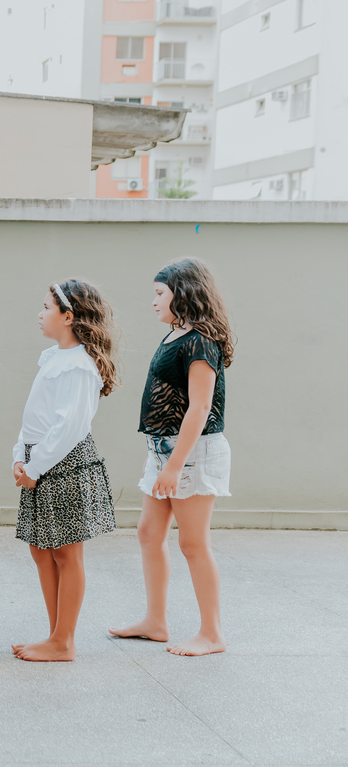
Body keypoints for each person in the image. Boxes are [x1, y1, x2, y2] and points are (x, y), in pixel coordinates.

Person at [110, 257, 234, 657]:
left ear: (183, 293)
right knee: (149, 533)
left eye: (159, 293)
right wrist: (163, 460)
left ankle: (212, 634)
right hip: (163, 450)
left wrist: (175, 466)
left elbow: (200, 407)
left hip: (191, 453)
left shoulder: (200, 340)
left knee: (193, 544)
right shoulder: (176, 335)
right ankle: (156, 621)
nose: (153, 301)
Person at [11, 280, 119, 662]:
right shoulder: (55, 357)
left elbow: (68, 428)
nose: (40, 314)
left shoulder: (78, 366)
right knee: (41, 550)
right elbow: (36, 415)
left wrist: (34, 466)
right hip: (40, 460)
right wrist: (20, 455)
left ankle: (64, 641)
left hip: (63, 463)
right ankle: (55, 635)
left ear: (68, 316)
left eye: (46, 307)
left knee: (66, 554)